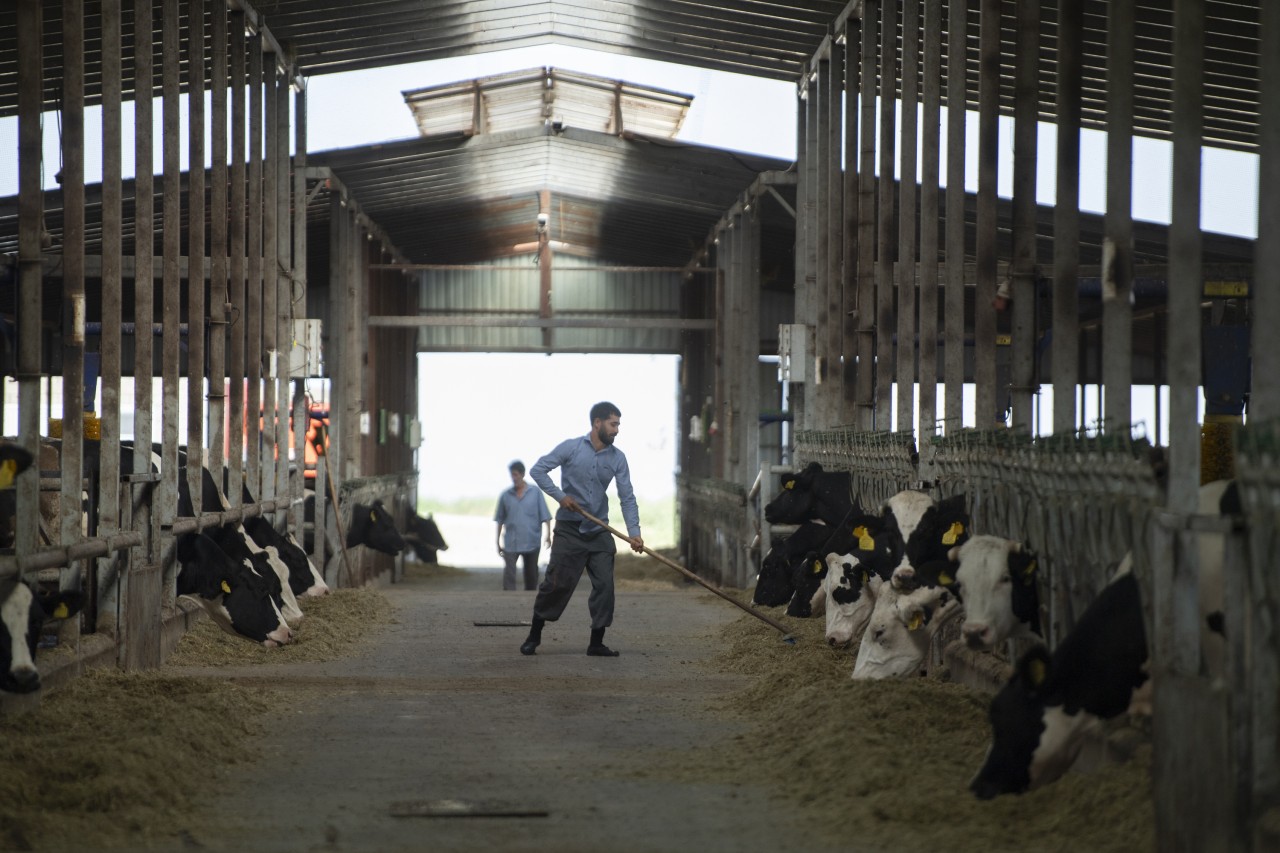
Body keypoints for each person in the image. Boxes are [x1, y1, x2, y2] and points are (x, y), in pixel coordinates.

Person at [520, 401, 643, 657]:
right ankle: (534, 635)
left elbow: (627, 497)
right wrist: (560, 497)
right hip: (569, 529)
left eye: (618, 424)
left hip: (598, 531)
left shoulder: (618, 458)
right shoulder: (571, 448)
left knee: (605, 587)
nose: (617, 430)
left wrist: (634, 533)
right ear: (597, 423)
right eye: (613, 424)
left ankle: (596, 643)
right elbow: (538, 470)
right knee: (557, 584)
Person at [494, 460, 552, 591]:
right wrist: (497, 542)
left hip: (531, 540)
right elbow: (499, 520)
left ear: (522, 474)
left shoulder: (535, 493)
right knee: (509, 573)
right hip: (511, 541)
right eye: (512, 475)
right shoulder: (505, 496)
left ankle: (530, 599)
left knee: (531, 573)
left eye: (516, 475)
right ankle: (509, 599)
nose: (514, 478)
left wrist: (548, 536)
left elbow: (545, 516)